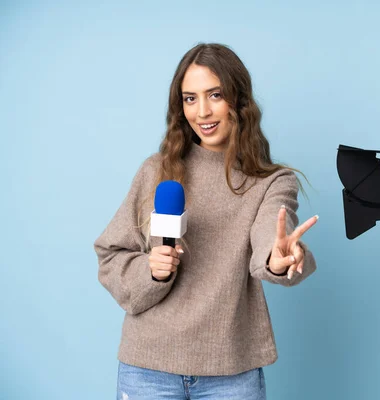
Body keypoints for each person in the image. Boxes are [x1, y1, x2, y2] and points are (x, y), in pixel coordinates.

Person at [94, 43, 318, 400]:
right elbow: (111, 255)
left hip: (231, 374)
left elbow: (268, 240)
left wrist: (278, 258)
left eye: (215, 94)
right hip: (148, 370)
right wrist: (152, 271)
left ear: (239, 100)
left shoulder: (272, 182)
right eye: (190, 98)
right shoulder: (156, 171)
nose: (203, 111)